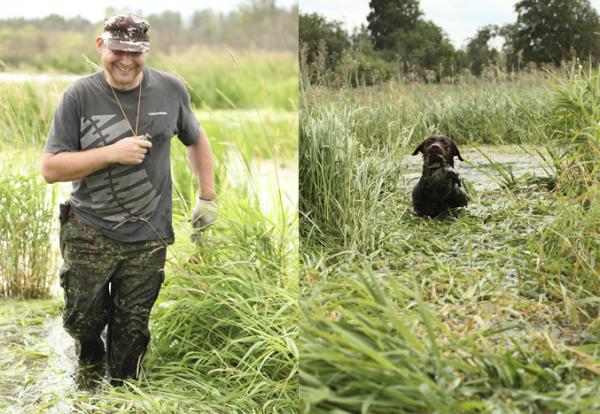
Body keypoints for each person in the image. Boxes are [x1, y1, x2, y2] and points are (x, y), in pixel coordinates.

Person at [41, 13, 217, 385]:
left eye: (135, 53)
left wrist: (207, 197)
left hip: (149, 234)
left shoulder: (170, 89)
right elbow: (51, 169)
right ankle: (88, 362)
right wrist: (111, 153)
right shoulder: (79, 96)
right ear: (101, 45)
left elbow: (196, 139)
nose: (126, 60)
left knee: (132, 330)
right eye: (118, 49)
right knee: (82, 320)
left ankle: (123, 392)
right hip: (89, 231)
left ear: (147, 52)